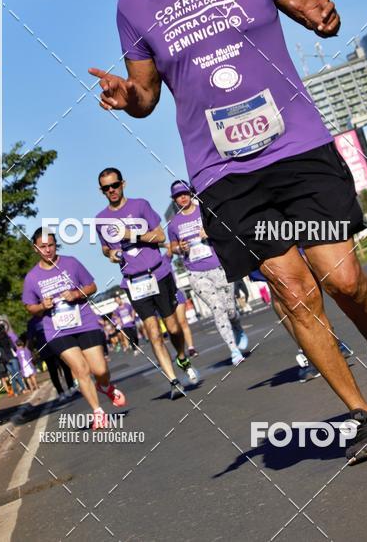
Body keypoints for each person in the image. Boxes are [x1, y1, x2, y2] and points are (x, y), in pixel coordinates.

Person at [89, 0, 367, 463]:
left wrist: (326, 19)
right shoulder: (134, 2)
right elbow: (146, 97)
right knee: (294, 292)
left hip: (297, 145)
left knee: (345, 279)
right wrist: (128, 97)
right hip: (224, 172)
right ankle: (359, 414)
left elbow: (314, 13)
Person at [96, 168, 198, 398]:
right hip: (134, 282)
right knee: (153, 333)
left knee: (173, 328)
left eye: (114, 185)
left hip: (158, 274)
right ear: (101, 191)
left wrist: (130, 235)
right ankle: (173, 381)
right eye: (106, 188)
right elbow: (105, 248)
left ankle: (181, 357)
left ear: (123, 184)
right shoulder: (101, 219)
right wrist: (110, 254)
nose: (111, 190)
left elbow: (160, 237)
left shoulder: (140, 205)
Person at [23, 229, 125, 427]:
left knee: (100, 369)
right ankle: (98, 412)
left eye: (50, 245)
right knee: (81, 370)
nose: (47, 250)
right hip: (57, 330)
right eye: (42, 247)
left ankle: (105, 386)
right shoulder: (32, 278)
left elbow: (92, 286)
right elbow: (29, 307)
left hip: (85, 322)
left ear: (55, 245)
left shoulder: (71, 263)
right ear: (36, 248)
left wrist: (76, 293)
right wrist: (42, 306)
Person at [167, 179, 248, 365]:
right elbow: (173, 248)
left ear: (191, 193)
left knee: (229, 309)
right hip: (196, 273)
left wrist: (210, 231)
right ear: (174, 199)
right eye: (179, 196)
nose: (183, 198)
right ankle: (233, 350)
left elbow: (225, 230)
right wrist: (180, 247)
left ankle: (237, 326)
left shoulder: (204, 210)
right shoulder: (174, 224)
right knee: (217, 309)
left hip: (219, 266)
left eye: (185, 193)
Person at [27, 315, 76, 402]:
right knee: (53, 371)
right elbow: (30, 339)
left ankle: (71, 387)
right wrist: (31, 352)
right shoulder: (32, 323)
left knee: (65, 366)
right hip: (45, 349)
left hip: (58, 344)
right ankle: (60, 392)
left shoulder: (50, 314)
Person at [0, 325, 25, 396]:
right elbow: (13, 347)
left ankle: (16, 392)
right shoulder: (8, 338)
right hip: (12, 357)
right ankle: (23, 389)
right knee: (17, 374)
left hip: (5, 360)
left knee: (13, 376)